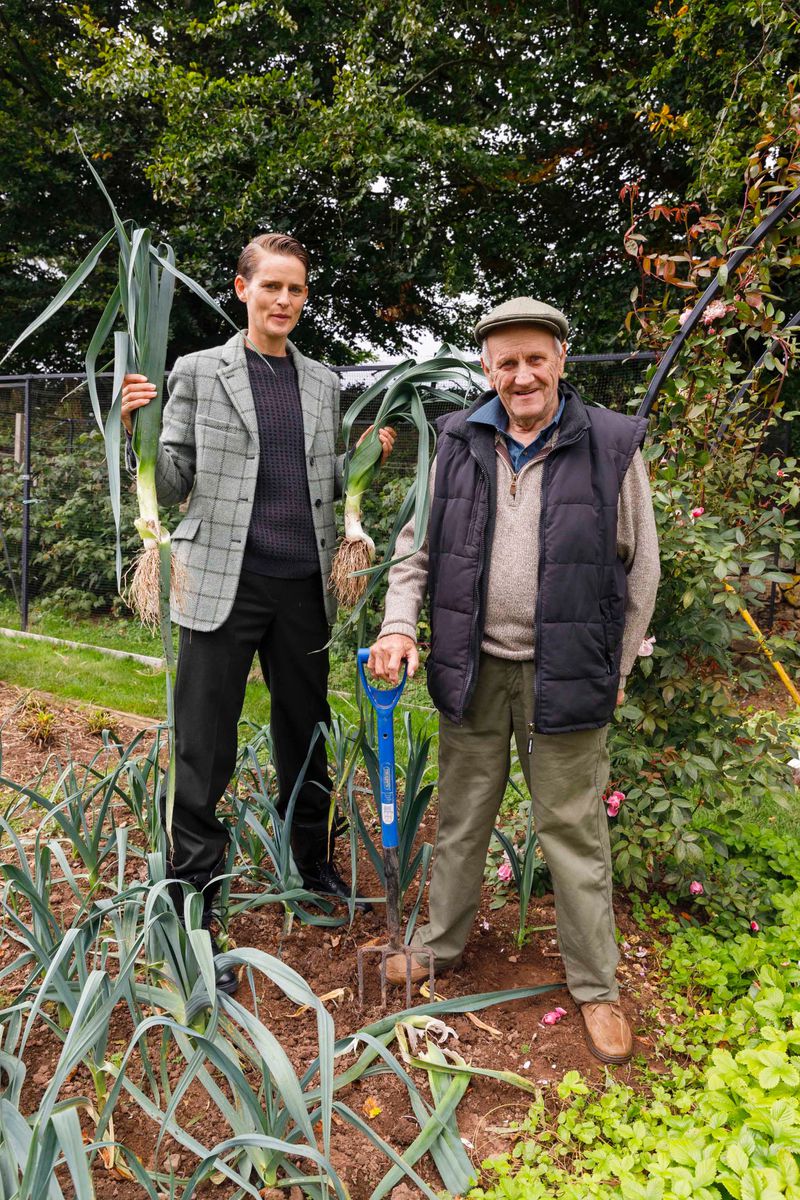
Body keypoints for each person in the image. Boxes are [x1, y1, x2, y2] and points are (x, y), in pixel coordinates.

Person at [367, 297, 660, 1063]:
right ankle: (440, 945)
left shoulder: (611, 445)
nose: (522, 374)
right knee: (463, 813)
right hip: (475, 663)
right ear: (488, 369)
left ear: (562, 358)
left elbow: (643, 568)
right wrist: (400, 623)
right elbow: (414, 551)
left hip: (569, 668)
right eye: (506, 362)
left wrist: (621, 662)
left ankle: (596, 985)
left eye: (536, 358)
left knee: (569, 825)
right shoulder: (458, 441)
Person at [121, 233, 395, 992]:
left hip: (301, 584)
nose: (284, 301)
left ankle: (312, 868)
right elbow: (172, 481)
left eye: (297, 290)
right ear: (242, 289)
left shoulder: (322, 381)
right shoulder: (198, 372)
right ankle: (198, 901)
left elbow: (318, 479)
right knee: (203, 745)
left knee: (304, 734)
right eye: (271, 286)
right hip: (220, 581)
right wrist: (134, 429)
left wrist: (363, 458)